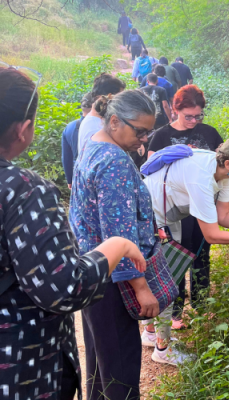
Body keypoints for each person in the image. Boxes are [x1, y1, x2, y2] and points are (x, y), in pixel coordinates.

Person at [0, 66, 146, 400]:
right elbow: (64, 288)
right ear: (23, 130)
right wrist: (118, 244)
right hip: (19, 365)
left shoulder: (91, 148)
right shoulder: (22, 191)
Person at [141, 136, 229, 362]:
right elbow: (212, 235)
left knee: (166, 272)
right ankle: (163, 350)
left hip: (169, 211)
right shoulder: (202, 177)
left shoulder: (223, 173)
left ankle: (151, 334)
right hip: (150, 213)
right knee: (166, 277)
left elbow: (222, 216)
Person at [69, 90, 161, 399]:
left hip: (92, 272)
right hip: (113, 282)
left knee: (100, 366)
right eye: (140, 131)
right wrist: (141, 287)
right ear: (114, 121)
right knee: (120, 375)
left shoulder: (92, 145)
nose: (144, 140)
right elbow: (118, 235)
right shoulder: (114, 164)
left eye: (148, 132)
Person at [148, 85, 223, 328]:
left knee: (202, 255)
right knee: (175, 257)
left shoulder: (211, 134)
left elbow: (221, 166)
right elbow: (151, 171)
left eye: (198, 115)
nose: (193, 120)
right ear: (175, 109)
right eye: (187, 115)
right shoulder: (161, 136)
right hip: (172, 210)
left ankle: (201, 306)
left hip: (201, 206)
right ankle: (176, 311)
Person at [77, 73, 126, 153]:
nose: (121, 103)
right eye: (118, 99)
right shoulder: (95, 127)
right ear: (102, 97)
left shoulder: (97, 120)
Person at [61, 92, 92, 189]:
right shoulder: (100, 128)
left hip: (77, 175)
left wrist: (69, 179)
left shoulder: (69, 127)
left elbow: (66, 157)